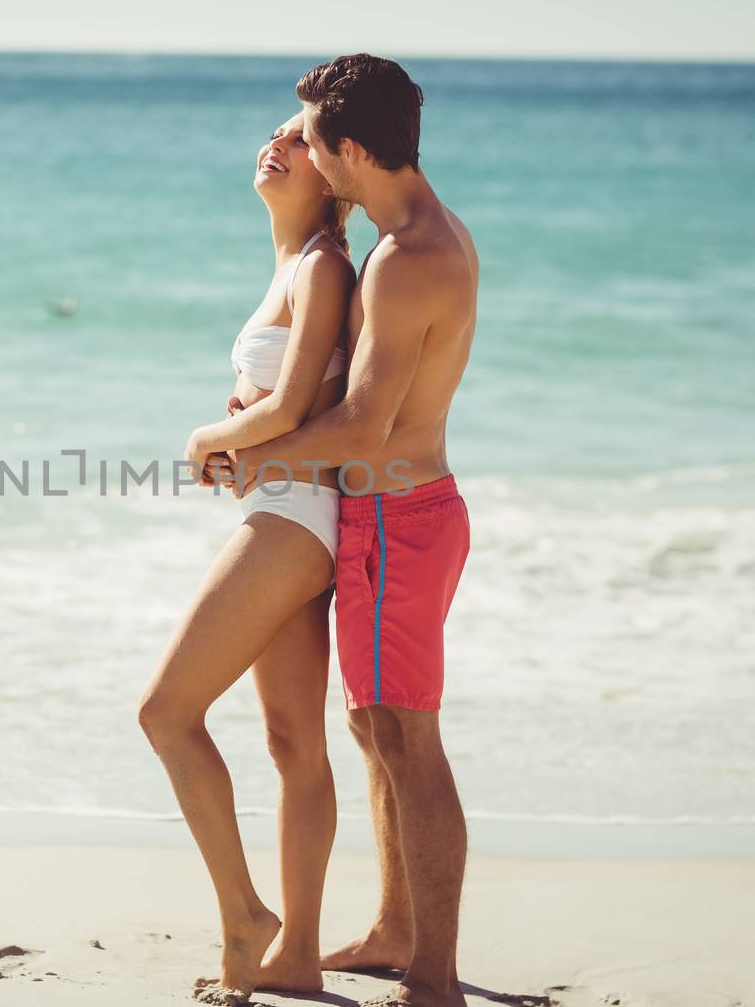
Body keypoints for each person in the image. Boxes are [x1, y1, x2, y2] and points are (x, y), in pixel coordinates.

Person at [233, 54, 480, 1007]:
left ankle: (433, 978)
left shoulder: (405, 257)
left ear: (350, 148)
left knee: (409, 741)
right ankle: (396, 929)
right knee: (377, 727)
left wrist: (253, 454)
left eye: (310, 138)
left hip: (399, 516)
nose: (300, 151)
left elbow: (366, 428)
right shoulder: (425, 233)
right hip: (408, 513)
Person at [138, 111, 355, 1003]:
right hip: (289, 506)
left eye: (300, 139)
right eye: (273, 133)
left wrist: (209, 433)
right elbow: (289, 399)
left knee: (165, 711)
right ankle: (296, 955)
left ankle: (245, 916)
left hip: (298, 517)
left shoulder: (325, 267)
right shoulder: (293, 263)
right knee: (292, 740)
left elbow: (298, 400)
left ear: (333, 170)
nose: (278, 145)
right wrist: (245, 421)